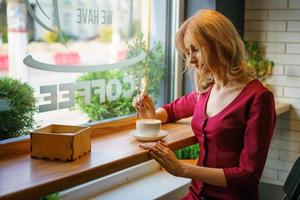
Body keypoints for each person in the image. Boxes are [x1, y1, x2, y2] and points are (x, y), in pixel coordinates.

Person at [132, 9, 276, 200]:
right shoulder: (206, 90)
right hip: (196, 195)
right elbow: (172, 110)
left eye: (196, 50)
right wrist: (151, 114)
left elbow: (248, 176)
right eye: (188, 52)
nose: (191, 60)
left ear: (220, 44)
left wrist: (182, 168)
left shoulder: (259, 98)